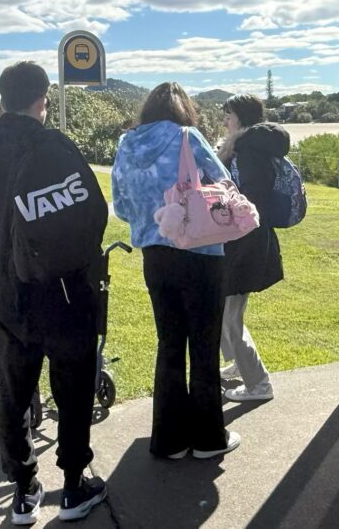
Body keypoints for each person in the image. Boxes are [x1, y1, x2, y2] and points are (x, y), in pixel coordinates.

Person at [0, 61, 108, 525]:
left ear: (1, 99)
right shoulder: (57, 147)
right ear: (42, 99)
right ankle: (73, 486)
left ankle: (23, 491)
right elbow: (94, 214)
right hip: (66, 293)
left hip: (10, 297)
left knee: (14, 395)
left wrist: (7, 261)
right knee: (75, 390)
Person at [111, 82, 241, 460]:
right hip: (201, 252)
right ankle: (207, 438)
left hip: (156, 255)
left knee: (169, 344)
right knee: (204, 344)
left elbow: (120, 206)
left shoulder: (126, 145)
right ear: (185, 109)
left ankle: (169, 439)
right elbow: (225, 185)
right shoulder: (189, 136)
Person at [215, 95, 288, 402]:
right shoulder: (250, 146)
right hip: (247, 239)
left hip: (245, 240)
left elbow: (249, 199)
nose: (225, 122)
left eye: (229, 116)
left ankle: (259, 383)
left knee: (230, 315)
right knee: (228, 312)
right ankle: (239, 362)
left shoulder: (249, 151)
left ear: (241, 118)